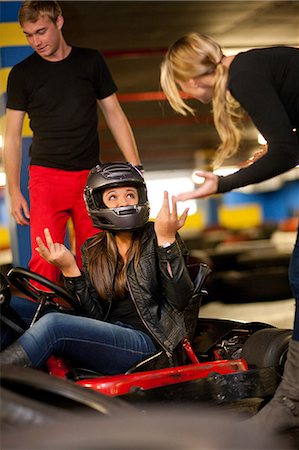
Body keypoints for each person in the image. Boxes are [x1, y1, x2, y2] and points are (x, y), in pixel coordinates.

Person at [160, 32, 299, 432]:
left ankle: (291, 399)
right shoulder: (251, 66)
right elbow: (290, 146)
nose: (185, 96)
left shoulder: (243, 73)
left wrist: (221, 184)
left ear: (193, 77)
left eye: (180, 87)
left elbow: (285, 154)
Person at [0, 162, 197, 375]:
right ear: (98, 203)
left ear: (141, 197)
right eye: (113, 197)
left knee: (53, 324)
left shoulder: (158, 235)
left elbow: (181, 300)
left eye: (130, 195)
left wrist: (167, 241)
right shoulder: (93, 248)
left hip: (150, 343)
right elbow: (93, 317)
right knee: (7, 306)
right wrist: (69, 269)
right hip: (111, 334)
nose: (124, 202)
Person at [3, 1, 142, 284]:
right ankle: (48, 323)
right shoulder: (21, 74)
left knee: (96, 258)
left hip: (90, 178)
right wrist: (14, 190)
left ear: (59, 22)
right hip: (45, 178)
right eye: (28, 35)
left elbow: (114, 113)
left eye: (41, 31)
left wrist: (135, 167)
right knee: (45, 260)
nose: (35, 41)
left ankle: (95, 324)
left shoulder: (90, 61)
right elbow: (12, 136)